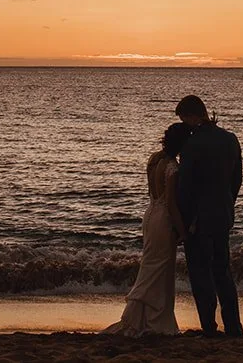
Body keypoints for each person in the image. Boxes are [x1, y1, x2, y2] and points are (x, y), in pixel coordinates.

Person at [103, 122, 191, 336]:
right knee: (160, 270)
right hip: (163, 220)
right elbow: (170, 204)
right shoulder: (172, 167)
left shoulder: (154, 159)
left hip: (150, 215)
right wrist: (183, 231)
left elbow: (153, 193)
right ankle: (154, 320)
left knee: (151, 266)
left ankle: (141, 317)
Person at [174, 94, 243, 337]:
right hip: (223, 215)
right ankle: (234, 326)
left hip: (198, 220)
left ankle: (209, 327)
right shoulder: (230, 139)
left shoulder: (192, 146)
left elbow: (185, 189)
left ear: (193, 116)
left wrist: (182, 223)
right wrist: (226, 204)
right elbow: (237, 181)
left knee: (201, 275)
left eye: (184, 118)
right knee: (223, 272)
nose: (184, 124)